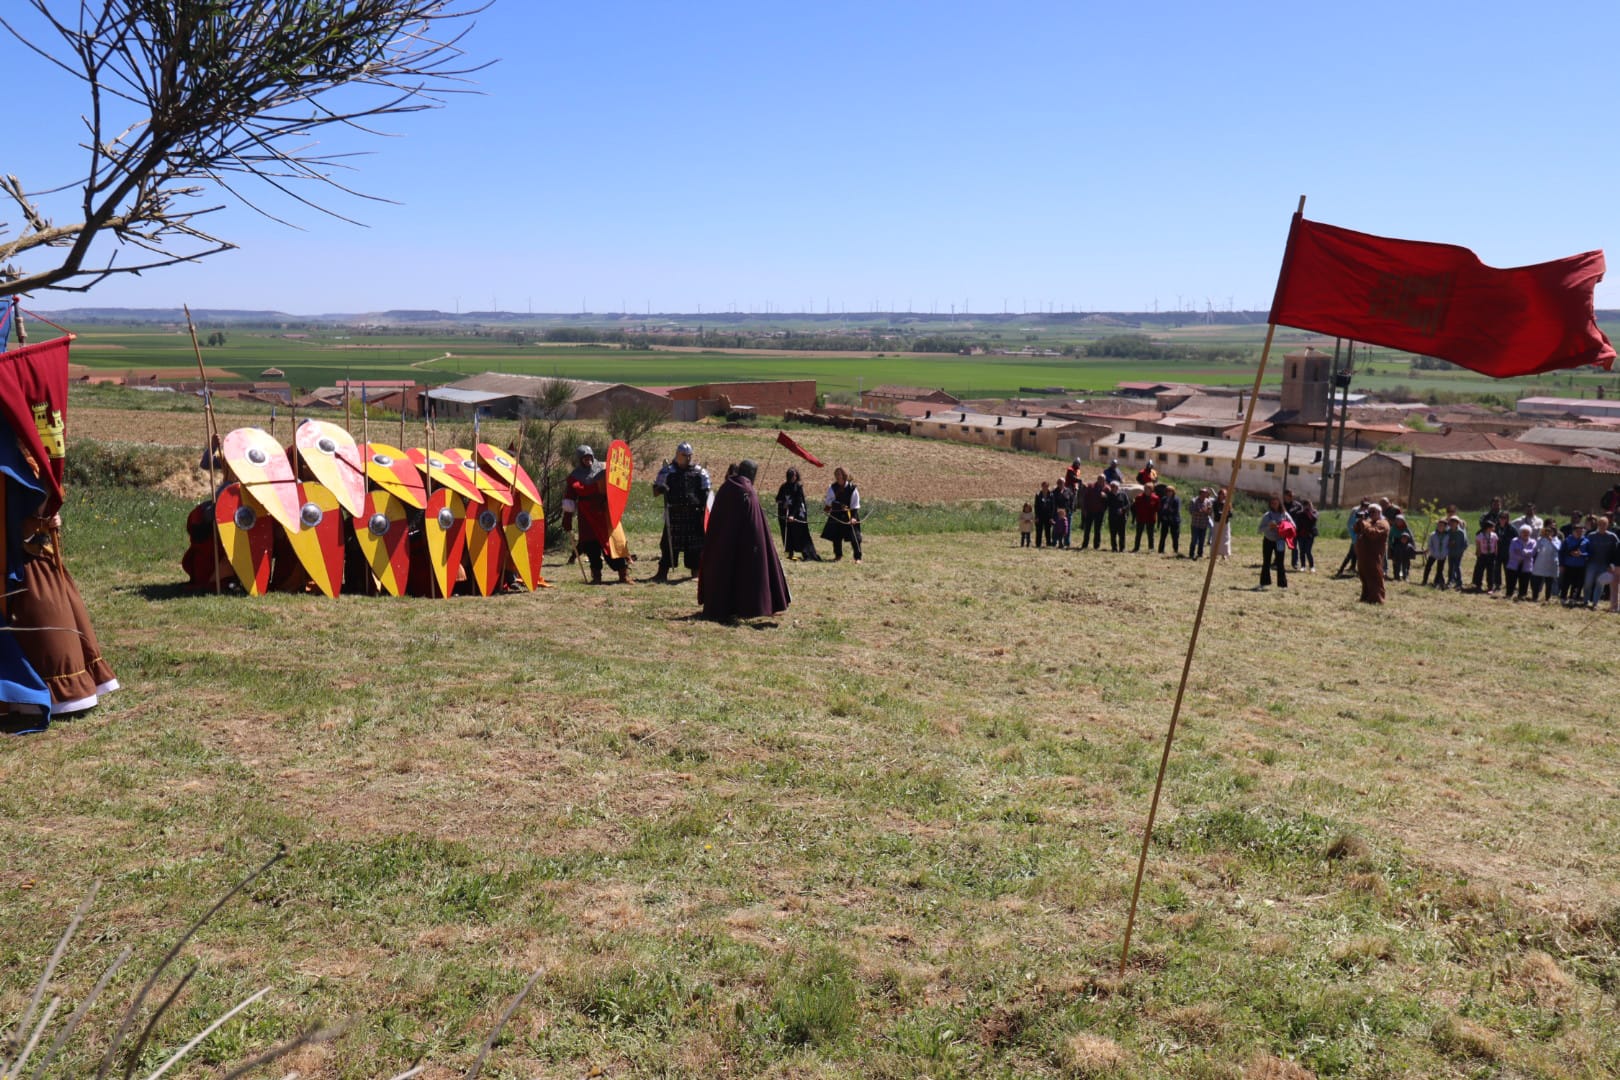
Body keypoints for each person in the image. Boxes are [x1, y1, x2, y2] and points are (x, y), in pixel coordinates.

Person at [697, 459, 790, 622]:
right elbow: (754, 523)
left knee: (727, 572)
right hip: (745, 542)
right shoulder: (747, 489)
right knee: (747, 573)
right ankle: (746, 607)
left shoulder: (727, 486)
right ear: (751, 474)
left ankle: (725, 607)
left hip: (724, 541)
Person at [561, 444, 631, 584]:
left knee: (614, 544)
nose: (588, 460)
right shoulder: (575, 477)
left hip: (605, 512)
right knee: (591, 547)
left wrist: (613, 504)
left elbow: (616, 487)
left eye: (589, 457)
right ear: (580, 460)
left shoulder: (605, 469)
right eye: (584, 458)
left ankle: (624, 575)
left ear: (593, 456)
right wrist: (567, 518)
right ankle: (596, 576)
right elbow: (570, 499)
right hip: (587, 515)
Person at [650, 441, 710, 583]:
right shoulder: (668, 471)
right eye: (684, 455)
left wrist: (704, 509)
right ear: (678, 455)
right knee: (668, 544)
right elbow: (655, 491)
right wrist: (661, 488)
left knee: (695, 547)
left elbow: (706, 493)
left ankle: (696, 573)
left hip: (694, 514)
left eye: (689, 455)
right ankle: (662, 573)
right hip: (674, 514)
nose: (688, 458)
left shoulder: (699, 472)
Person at [775, 467, 822, 561]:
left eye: (794, 476)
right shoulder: (784, 486)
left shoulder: (798, 487)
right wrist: (783, 503)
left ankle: (807, 554)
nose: (793, 477)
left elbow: (798, 502)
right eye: (791, 476)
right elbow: (778, 499)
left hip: (797, 514)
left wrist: (792, 515)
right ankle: (790, 553)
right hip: (785, 514)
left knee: (801, 533)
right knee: (788, 533)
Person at [821, 466, 862, 562]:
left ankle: (858, 557)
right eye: (836, 474)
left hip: (849, 515)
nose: (838, 476)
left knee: (855, 537)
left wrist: (853, 517)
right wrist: (838, 505)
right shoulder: (832, 488)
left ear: (844, 475)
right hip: (837, 515)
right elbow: (829, 501)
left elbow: (855, 505)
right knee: (836, 537)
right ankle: (838, 555)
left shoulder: (852, 489)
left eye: (840, 474)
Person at [1355, 504, 1389, 603]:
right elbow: (1356, 530)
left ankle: (1377, 599)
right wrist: (1359, 522)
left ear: (1379, 512)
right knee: (1364, 577)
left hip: (1374, 555)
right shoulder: (1369, 522)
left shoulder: (1383, 523)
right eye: (1369, 511)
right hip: (1364, 554)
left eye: (1373, 511)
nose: (1370, 514)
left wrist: (1364, 524)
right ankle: (1366, 597)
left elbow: (1373, 534)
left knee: (1374, 577)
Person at [1257, 495, 1293, 589]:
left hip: (1280, 541)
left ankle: (1282, 585)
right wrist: (1269, 527)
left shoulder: (1284, 515)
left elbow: (1293, 526)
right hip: (1268, 540)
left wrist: (1282, 527)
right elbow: (1259, 530)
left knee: (1280, 563)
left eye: (1276, 503)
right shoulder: (1267, 515)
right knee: (1266, 562)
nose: (1274, 505)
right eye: (1272, 503)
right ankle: (1264, 583)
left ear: (1279, 504)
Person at [1582, 517, 1617, 608]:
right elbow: (1584, 547)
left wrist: (1612, 564)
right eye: (1600, 524)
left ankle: (1595, 603)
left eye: (1604, 524)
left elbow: (1616, 551)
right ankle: (1586, 601)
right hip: (1591, 563)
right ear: (1598, 525)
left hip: (1605, 564)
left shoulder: (1612, 537)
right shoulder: (1591, 535)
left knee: (1599, 584)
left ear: (1608, 525)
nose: (1602, 526)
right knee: (1588, 583)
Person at [1337, 499, 1369, 576]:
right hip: (1356, 537)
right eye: (1364, 506)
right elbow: (1350, 525)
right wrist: (1354, 539)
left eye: (1367, 507)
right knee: (1351, 554)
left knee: (1358, 555)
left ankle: (1355, 569)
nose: (1366, 508)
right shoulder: (1355, 511)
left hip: (1362, 537)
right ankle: (1341, 570)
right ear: (1361, 506)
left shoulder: (1367, 512)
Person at [1558, 522, 1588, 605]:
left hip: (1580, 566)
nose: (1579, 533)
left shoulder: (1586, 541)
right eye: (1577, 531)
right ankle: (1563, 598)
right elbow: (1561, 552)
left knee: (1577, 583)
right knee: (1566, 582)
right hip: (1568, 565)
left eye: (1581, 531)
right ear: (1573, 531)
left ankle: (1573, 598)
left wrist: (1581, 554)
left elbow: (1589, 553)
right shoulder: (1567, 540)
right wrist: (1561, 564)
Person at [1530, 522, 1561, 602]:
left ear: (1554, 532)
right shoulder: (1541, 539)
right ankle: (1535, 596)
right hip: (1541, 562)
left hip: (1551, 564)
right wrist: (1540, 538)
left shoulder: (1557, 540)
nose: (1549, 533)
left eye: (1551, 531)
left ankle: (1547, 598)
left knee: (1549, 582)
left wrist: (1551, 541)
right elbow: (1536, 548)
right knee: (1537, 580)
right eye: (1547, 531)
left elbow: (1557, 549)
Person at [1505, 524, 1536, 600]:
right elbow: (1512, 552)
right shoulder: (1514, 540)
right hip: (1514, 564)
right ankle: (1509, 594)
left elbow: (1533, 553)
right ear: (1520, 532)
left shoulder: (1533, 542)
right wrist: (1525, 554)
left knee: (1524, 581)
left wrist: (1521, 552)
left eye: (1527, 532)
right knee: (1511, 581)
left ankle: (1522, 595)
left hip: (1526, 565)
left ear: (1530, 533)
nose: (1525, 534)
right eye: (1523, 532)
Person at [1471, 519, 1500, 593]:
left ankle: (1490, 587)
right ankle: (1478, 585)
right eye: (1492, 527)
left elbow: (1495, 544)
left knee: (1490, 571)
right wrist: (1478, 552)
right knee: (1480, 571)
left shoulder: (1494, 535)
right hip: (1483, 555)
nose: (1493, 528)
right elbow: (1478, 544)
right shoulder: (1480, 535)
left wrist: (1496, 552)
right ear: (1487, 527)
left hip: (1491, 555)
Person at [1079, 475, 1107, 550]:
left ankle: (1096, 546)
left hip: (1100, 512)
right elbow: (1085, 498)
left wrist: (1105, 496)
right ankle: (1085, 545)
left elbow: (1109, 499)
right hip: (1090, 511)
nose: (1102, 481)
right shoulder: (1091, 487)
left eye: (1103, 480)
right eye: (1101, 479)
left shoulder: (1106, 488)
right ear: (1097, 480)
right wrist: (1084, 509)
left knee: (1097, 530)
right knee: (1087, 529)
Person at [1389, 514, 1417, 581]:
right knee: (1395, 560)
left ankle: (1405, 575)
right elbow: (1390, 537)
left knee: (1406, 561)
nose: (1398, 522)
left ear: (1403, 521)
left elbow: (1411, 538)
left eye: (1400, 520)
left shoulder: (1406, 528)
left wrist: (1413, 546)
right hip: (1396, 544)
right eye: (1397, 520)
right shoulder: (1393, 528)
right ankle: (1396, 575)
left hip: (1405, 543)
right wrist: (1391, 545)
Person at [1131, 484, 1159, 552]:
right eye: (1145, 488)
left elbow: (1157, 509)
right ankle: (1136, 548)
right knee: (1138, 534)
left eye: (1148, 489)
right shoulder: (1139, 497)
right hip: (1141, 518)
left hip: (1150, 518)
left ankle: (1151, 548)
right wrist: (1134, 518)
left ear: (1151, 489)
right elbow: (1134, 508)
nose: (1146, 490)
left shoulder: (1156, 498)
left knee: (1150, 535)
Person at [1188, 488, 1213, 561]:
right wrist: (1200, 512)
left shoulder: (1208, 502)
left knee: (1202, 540)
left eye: (1206, 493)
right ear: (1200, 494)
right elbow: (1191, 511)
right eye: (1203, 493)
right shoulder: (1194, 501)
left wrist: (1207, 511)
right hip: (1195, 523)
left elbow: (1210, 512)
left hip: (1203, 524)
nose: (1204, 495)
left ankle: (1200, 553)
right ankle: (1191, 553)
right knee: (1194, 539)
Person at [1157, 485, 1182, 555]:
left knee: (1175, 536)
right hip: (1165, 520)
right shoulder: (1164, 499)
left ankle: (1175, 550)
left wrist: (1170, 510)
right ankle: (1160, 550)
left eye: (1170, 491)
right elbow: (1161, 509)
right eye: (1167, 491)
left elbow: (1177, 510)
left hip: (1174, 520)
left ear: (1173, 492)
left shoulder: (1176, 499)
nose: (1168, 492)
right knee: (1163, 535)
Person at [1296, 498, 1319, 572]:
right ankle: (1303, 566)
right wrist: (1304, 512)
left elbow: (1314, 520)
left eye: (1309, 505)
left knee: (1308, 551)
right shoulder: (1299, 513)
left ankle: (1312, 566)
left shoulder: (1314, 512)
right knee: (1302, 551)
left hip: (1310, 535)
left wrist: (1308, 512)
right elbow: (1299, 523)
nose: (1308, 507)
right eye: (1306, 506)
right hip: (1301, 535)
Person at [1106, 481, 1129, 552]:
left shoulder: (1123, 495)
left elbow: (1128, 505)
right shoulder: (1109, 495)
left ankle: (1122, 548)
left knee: (1122, 534)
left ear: (1118, 487)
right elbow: (1107, 505)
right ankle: (1114, 548)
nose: (1113, 488)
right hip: (1112, 517)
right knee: (1113, 534)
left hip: (1121, 518)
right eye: (1112, 486)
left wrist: (1122, 510)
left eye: (1115, 487)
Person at [1052, 478, 1075, 549]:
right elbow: (1053, 503)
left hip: (1067, 513)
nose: (1061, 484)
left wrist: (1071, 509)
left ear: (1064, 483)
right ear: (1057, 483)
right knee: (1056, 528)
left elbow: (1072, 500)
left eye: (1062, 483)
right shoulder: (1054, 492)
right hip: (1057, 514)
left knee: (1067, 528)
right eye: (1059, 483)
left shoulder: (1068, 491)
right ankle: (1054, 542)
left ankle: (1066, 542)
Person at [1033, 481, 1054, 549]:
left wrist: (1051, 517)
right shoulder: (1038, 495)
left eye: (1047, 486)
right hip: (1040, 515)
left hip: (1048, 516)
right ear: (1042, 486)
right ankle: (1038, 544)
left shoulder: (1051, 495)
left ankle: (1048, 543)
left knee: (1048, 530)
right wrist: (1036, 516)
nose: (1045, 487)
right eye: (1044, 486)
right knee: (1039, 530)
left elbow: (1053, 507)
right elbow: (1036, 506)